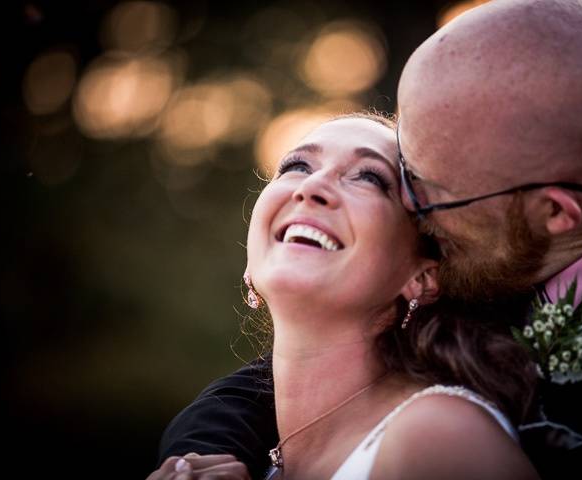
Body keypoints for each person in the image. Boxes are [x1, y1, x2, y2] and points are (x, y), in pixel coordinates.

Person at [158, 0, 582, 477]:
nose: (414, 209)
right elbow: (310, 375)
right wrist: (201, 454)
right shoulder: (491, 247)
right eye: (297, 165)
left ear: (554, 213)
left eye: (415, 188)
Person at [150, 114, 540, 480]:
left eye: (369, 177)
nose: (311, 187)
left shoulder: (440, 437)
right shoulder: (252, 458)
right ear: (250, 264)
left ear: (422, 276)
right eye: (297, 167)